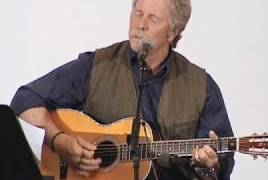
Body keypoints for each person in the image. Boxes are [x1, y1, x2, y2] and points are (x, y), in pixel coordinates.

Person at [10, 0, 234, 179]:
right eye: (138, 13)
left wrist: (210, 166)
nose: (140, 24)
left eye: (153, 18)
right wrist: (59, 141)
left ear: (173, 32)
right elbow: (25, 101)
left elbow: (220, 165)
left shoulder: (201, 86)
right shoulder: (96, 65)